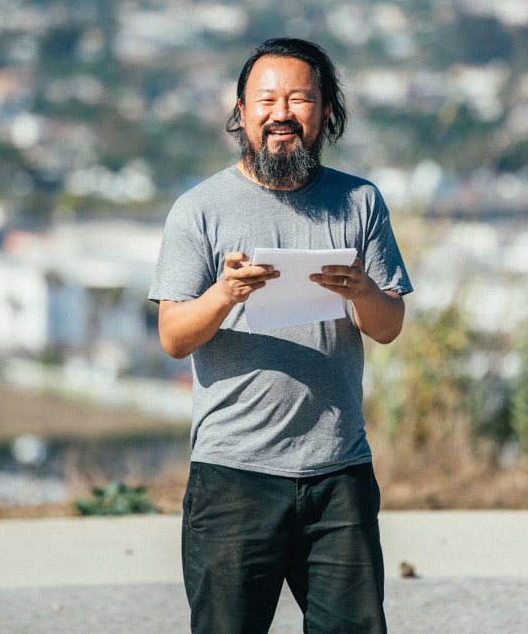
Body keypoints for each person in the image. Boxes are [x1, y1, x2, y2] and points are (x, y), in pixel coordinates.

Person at [149, 38, 412, 634]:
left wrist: (361, 290)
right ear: (241, 113)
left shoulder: (360, 202)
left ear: (327, 112)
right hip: (233, 477)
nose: (282, 112)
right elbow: (173, 336)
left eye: (300, 98)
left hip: (339, 473)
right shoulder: (200, 209)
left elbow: (389, 326)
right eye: (265, 99)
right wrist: (225, 294)